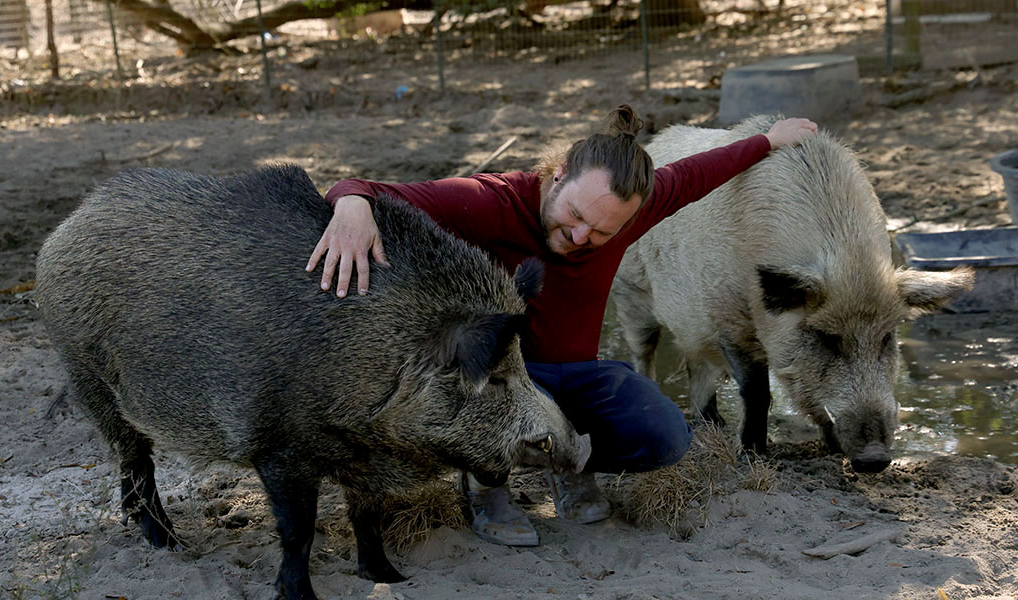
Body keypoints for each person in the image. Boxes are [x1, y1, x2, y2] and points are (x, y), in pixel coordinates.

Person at [305, 106, 818, 546]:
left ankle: (573, 462)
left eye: (601, 231)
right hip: (500, 380)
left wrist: (770, 140)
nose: (578, 235)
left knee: (666, 437)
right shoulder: (488, 200)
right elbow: (365, 189)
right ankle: (487, 482)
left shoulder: (638, 206)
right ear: (559, 174)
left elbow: (702, 170)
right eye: (573, 214)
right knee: (483, 399)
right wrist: (352, 205)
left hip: (575, 375)